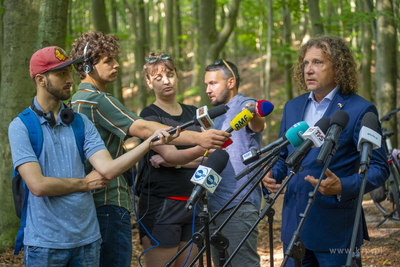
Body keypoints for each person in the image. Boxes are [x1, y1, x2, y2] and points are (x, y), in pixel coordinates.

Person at [69, 32, 230, 267]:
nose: (116, 65)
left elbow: (205, 158)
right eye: (108, 61)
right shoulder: (98, 100)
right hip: (111, 200)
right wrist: (200, 140)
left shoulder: (78, 100)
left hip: (185, 202)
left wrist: (188, 155)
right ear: (86, 66)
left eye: (171, 74)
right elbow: (145, 129)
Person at [9, 46, 177, 267]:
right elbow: (38, 185)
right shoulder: (21, 126)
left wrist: (148, 143)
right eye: (61, 73)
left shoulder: (81, 122)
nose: (70, 79)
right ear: (40, 79)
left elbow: (107, 169)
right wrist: (84, 183)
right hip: (45, 244)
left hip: (87, 241)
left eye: (69, 71)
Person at [262, 35, 389, 266]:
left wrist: (343, 185)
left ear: (338, 68)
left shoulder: (361, 109)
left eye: (318, 62)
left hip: (336, 230)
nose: (309, 70)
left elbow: (379, 169)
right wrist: (273, 173)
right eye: (306, 63)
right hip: (293, 229)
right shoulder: (293, 106)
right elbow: (284, 156)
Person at [137, 52, 209, 267]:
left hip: (194, 201)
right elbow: (170, 153)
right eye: (158, 78)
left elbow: (214, 154)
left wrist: (177, 163)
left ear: (177, 76)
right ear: (149, 83)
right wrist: (196, 152)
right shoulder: (149, 116)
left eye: (170, 74)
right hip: (161, 206)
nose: (166, 81)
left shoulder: (195, 113)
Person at [204, 59, 265, 267]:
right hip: (213, 205)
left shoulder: (243, 104)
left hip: (239, 204)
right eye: (206, 85)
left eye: (213, 83)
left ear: (231, 83)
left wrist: (253, 112)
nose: (208, 90)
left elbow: (257, 122)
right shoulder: (215, 115)